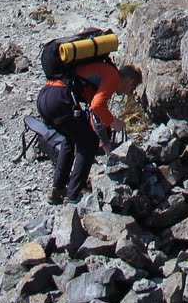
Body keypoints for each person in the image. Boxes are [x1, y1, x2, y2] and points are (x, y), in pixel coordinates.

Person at [37, 57, 142, 204]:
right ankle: (73, 196)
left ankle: (57, 191)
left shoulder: (101, 74)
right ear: (130, 81)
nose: (128, 92)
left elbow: (95, 117)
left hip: (45, 97)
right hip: (60, 99)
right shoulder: (112, 76)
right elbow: (97, 106)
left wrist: (106, 147)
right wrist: (114, 123)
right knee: (88, 143)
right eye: (132, 89)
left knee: (71, 139)